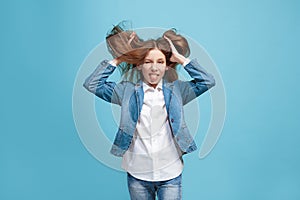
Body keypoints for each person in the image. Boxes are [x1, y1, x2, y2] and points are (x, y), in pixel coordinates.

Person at [83, 21, 215, 200]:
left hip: (170, 172)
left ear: (167, 65)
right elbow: (92, 84)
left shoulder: (177, 91)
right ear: (139, 65)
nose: (154, 67)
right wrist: (121, 58)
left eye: (160, 62)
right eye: (148, 61)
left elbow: (207, 81)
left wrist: (180, 59)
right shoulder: (126, 92)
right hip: (138, 174)